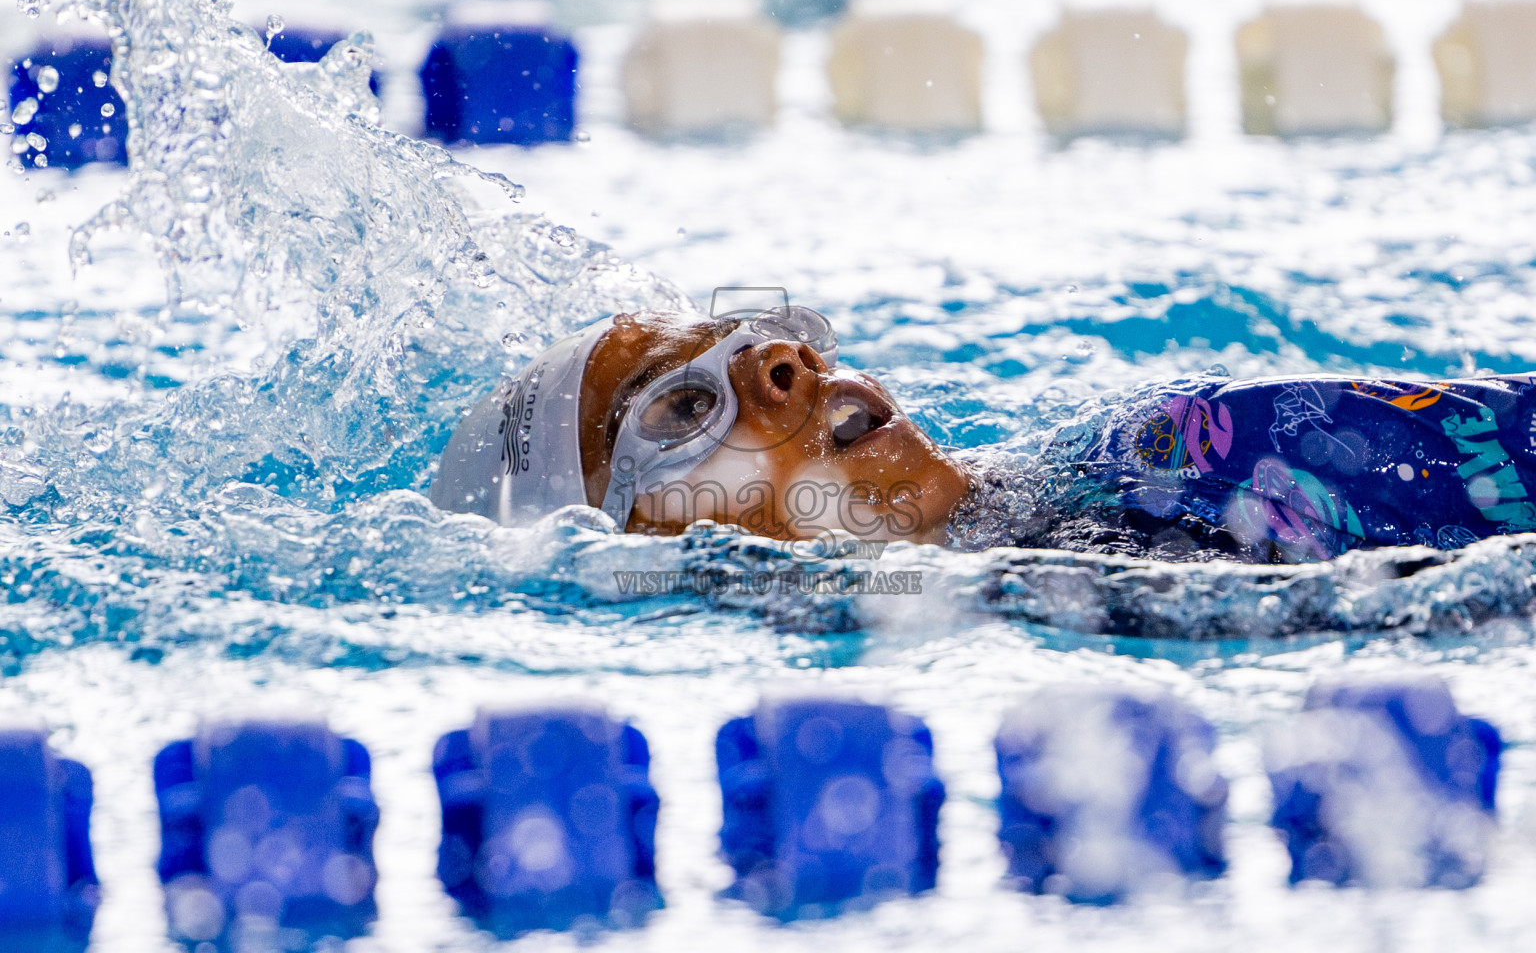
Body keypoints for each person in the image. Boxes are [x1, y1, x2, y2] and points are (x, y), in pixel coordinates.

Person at [430, 306, 1536, 564]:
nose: (785, 367)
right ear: (633, 546)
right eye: (683, 411)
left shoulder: (1169, 449)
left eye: (767, 341)